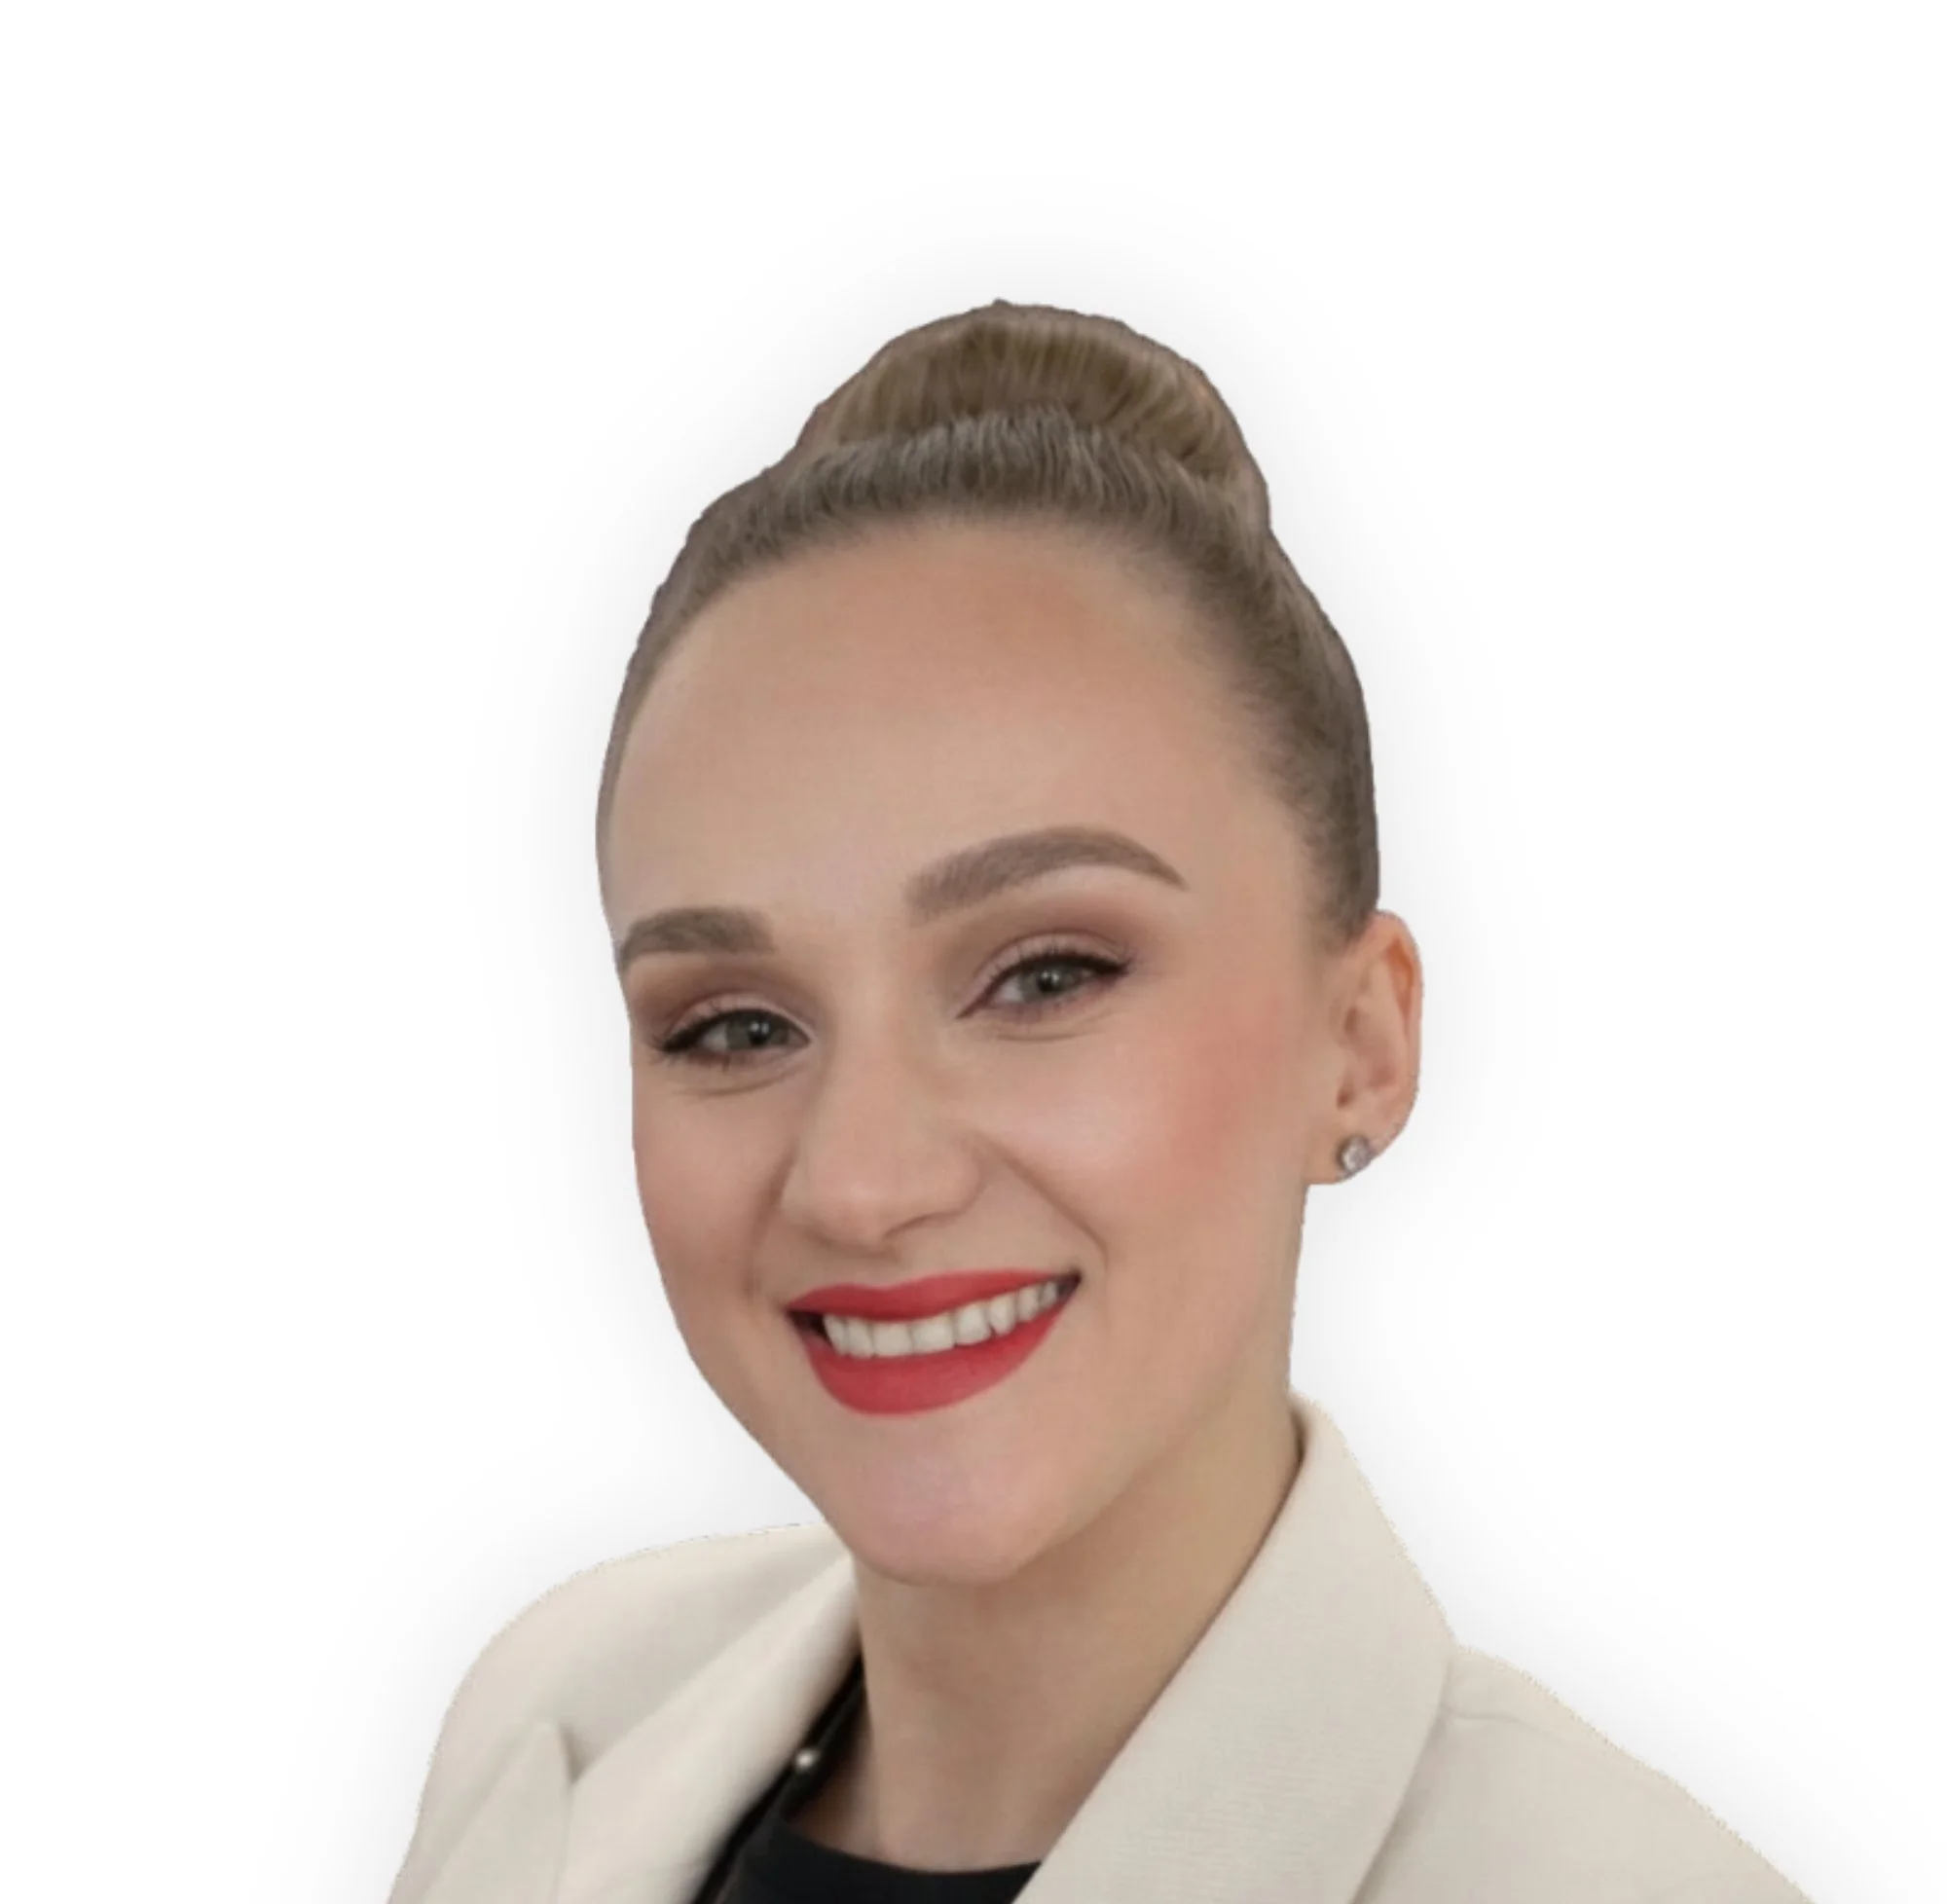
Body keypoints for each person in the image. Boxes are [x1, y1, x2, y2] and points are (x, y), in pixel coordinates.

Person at [384, 300, 1811, 1904]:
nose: (861, 1180)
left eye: (1046, 977)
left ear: (1363, 1040)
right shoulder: (558, 1714)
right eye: (732, 1026)